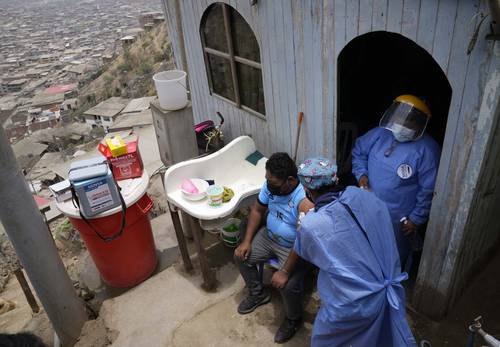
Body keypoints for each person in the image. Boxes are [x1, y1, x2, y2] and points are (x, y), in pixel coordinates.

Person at [295, 157, 416, 347]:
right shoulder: (365, 197)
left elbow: (306, 252)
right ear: (335, 180)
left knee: (327, 340)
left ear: (308, 190)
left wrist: (304, 223)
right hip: (383, 290)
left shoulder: (311, 224)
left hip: (350, 304)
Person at [351, 95, 441, 270]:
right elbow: (359, 152)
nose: (402, 126)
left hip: (399, 217)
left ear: (420, 124)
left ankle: (392, 282)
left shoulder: (428, 149)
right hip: (369, 204)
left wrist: (416, 218)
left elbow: (429, 189)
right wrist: (361, 173)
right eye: (399, 120)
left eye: (409, 123)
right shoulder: (380, 133)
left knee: (394, 254)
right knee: (366, 244)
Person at [234, 152, 313, 344]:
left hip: (293, 247)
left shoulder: (304, 201)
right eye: (267, 180)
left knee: (287, 285)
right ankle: (258, 294)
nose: (269, 185)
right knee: (240, 256)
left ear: (291, 180)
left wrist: (284, 271)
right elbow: (257, 210)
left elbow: (303, 239)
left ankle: (293, 319)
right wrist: (246, 241)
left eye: (274, 183)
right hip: (268, 237)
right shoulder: (271, 186)